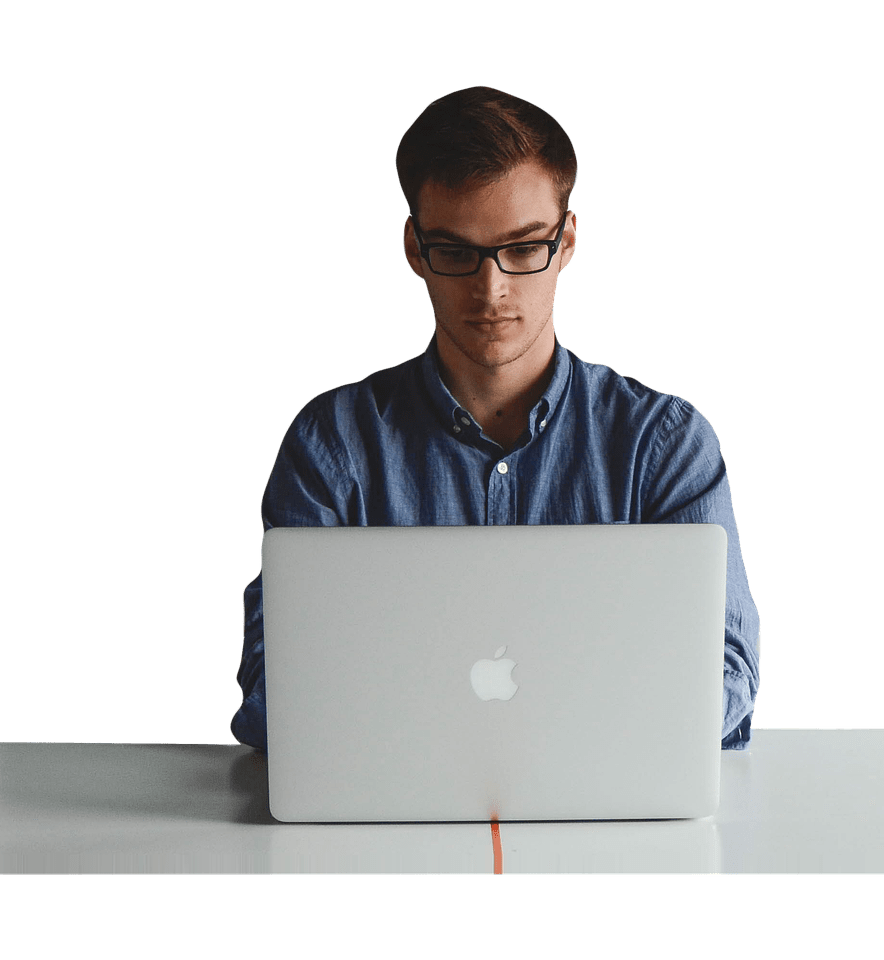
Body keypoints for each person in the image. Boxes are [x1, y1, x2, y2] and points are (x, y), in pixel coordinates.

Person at [230, 86, 761, 750]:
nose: (491, 290)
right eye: (456, 252)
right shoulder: (331, 444)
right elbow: (274, 681)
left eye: (522, 248)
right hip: (381, 825)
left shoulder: (665, 445)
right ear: (414, 249)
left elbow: (725, 669)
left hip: (615, 819)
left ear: (566, 241)